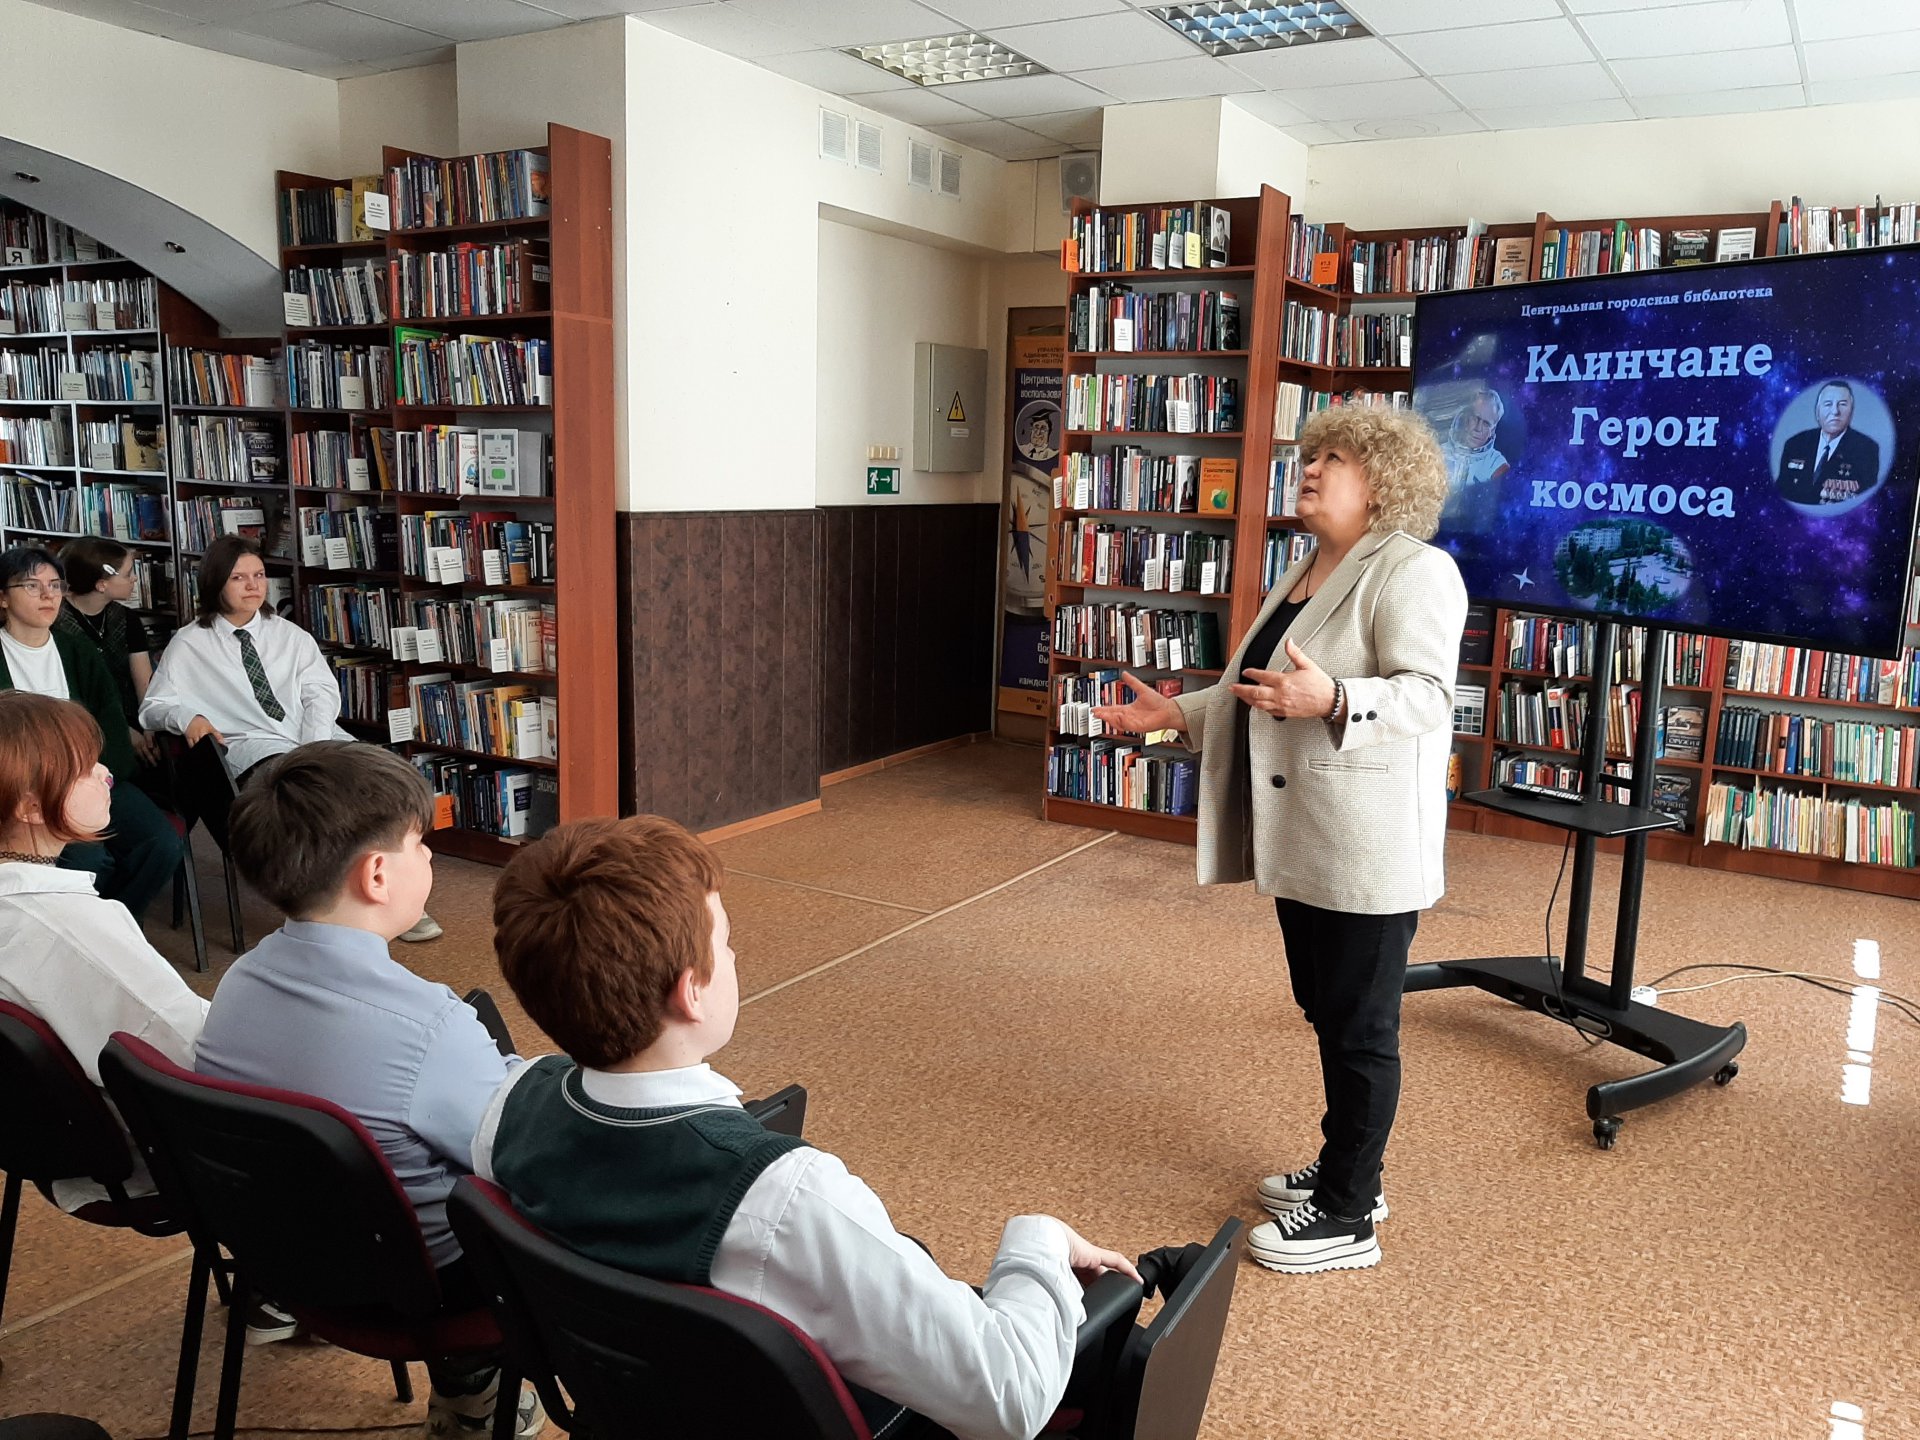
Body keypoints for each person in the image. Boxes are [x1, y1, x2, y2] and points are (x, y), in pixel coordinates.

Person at [478, 815, 1145, 1440]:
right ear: (691, 992)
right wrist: (1037, 1239)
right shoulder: (785, 1199)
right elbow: (1011, 1397)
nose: (733, 955)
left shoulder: (510, 1108)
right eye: (725, 943)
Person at [1093, 406, 1466, 1276]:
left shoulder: (1414, 570)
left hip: (1366, 847)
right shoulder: (1304, 568)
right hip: (1304, 839)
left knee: (1361, 1026)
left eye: (1335, 458)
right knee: (1326, 1008)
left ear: (1384, 481)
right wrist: (1175, 713)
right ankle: (1349, 1169)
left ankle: (1349, 1215)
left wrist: (1334, 699)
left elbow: (1429, 697)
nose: (1312, 469)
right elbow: (1255, 689)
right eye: (1311, 455)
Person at [191, 741, 539, 1437]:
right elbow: (517, 1153)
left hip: (280, 1257)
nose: (430, 856)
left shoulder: (238, 984)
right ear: (377, 874)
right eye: (420, 843)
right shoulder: (429, 1025)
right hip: (424, 1286)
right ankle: (475, 1384)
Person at [140, 536, 439, 942]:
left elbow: (321, 694)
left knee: (388, 784)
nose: (253, 586)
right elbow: (153, 706)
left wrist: (313, 749)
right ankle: (335, 903)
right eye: (238, 578)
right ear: (214, 583)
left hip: (312, 737)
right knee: (321, 804)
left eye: (259, 575)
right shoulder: (190, 643)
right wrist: (186, 716)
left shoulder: (290, 635)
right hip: (251, 748)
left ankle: (398, 894)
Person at [0, 690, 206, 1213]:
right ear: (30, 805)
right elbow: (193, 1050)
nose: (107, 774)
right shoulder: (71, 926)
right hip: (148, 1158)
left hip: (40, 1144)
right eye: (86, 768)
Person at [0, 547, 184, 919]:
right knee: (89, 859)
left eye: (55, 585)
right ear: (3, 598)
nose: (48, 595)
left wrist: (91, 777)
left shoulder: (77, 650)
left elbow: (110, 723)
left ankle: (114, 923)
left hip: (91, 775)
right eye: (32, 586)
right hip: (28, 789)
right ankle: (75, 929)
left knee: (162, 843)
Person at [55, 536, 156, 763]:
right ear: (102, 585)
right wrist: (122, 731)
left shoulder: (128, 619)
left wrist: (150, 725)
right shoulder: (57, 624)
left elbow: (144, 683)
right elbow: (72, 696)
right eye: (128, 574)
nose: (134, 578)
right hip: (83, 724)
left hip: (130, 714)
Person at [1777, 379, 1880, 505]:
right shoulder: (1795, 444)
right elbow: (1781, 493)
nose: (1835, 411)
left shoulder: (1866, 449)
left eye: (1842, 404)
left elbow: (1865, 502)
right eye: (1828, 404)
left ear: (1851, 411)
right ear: (1817, 411)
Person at [1441, 385, 1509, 490]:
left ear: (1492, 431)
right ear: (1465, 417)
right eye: (1475, 418)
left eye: (1486, 424)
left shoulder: (1497, 466)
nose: (1478, 428)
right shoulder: (1438, 453)